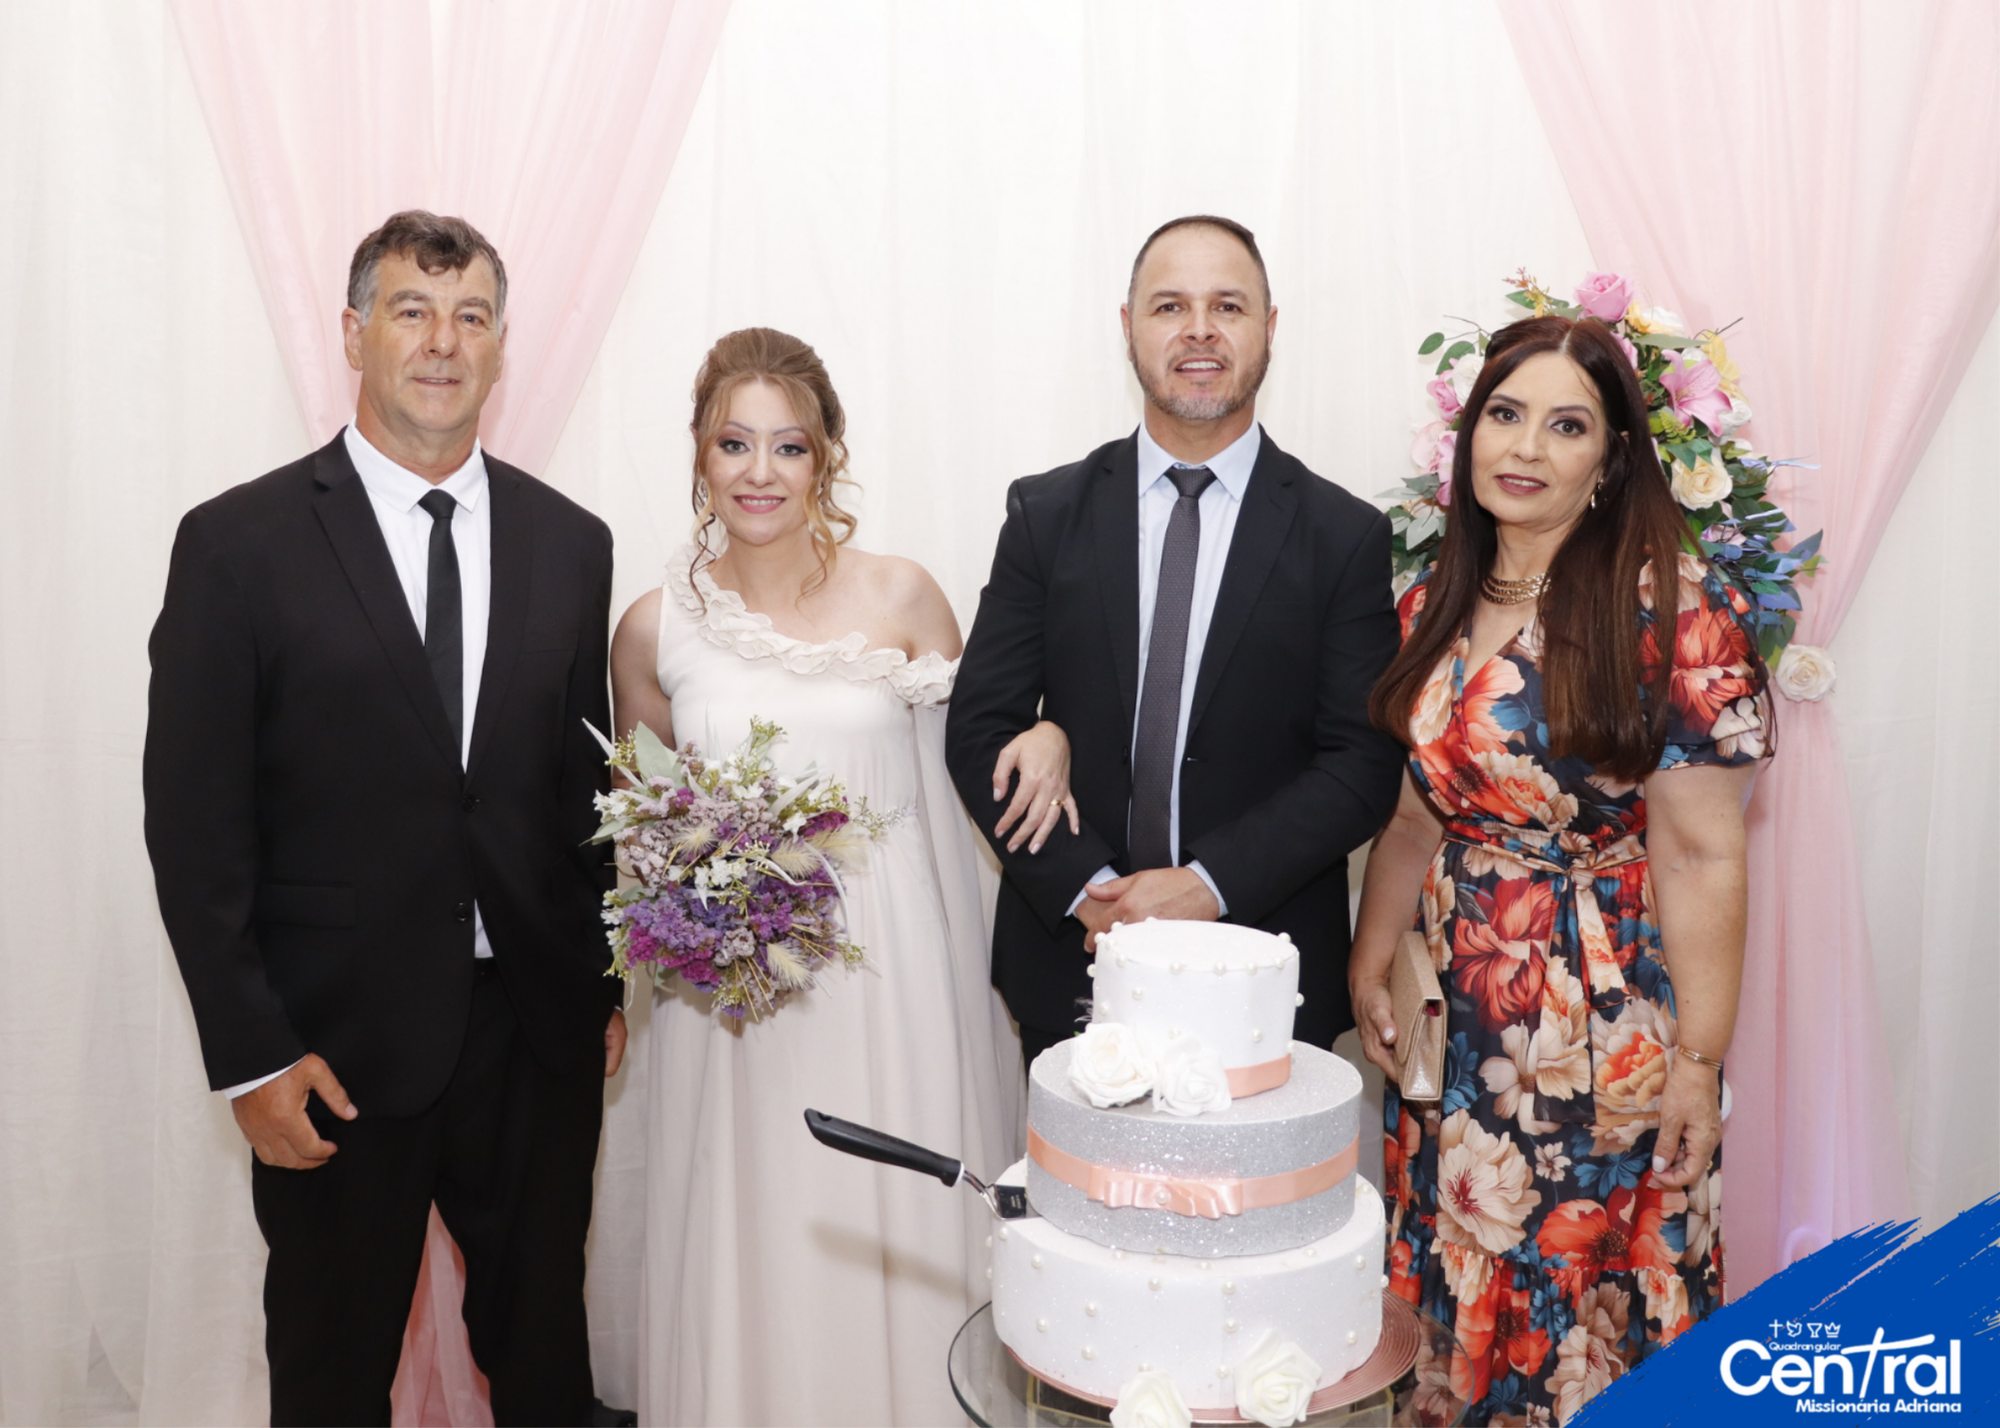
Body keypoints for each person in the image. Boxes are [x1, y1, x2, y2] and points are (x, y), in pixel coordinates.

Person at [143, 211, 621, 1426]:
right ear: (355, 334)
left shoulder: (572, 545)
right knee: (329, 1375)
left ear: (501, 346)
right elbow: (194, 825)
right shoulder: (235, 544)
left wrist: (601, 986)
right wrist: (253, 1054)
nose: (442, 342)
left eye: (470, 317)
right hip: (333, 1050)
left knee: (547, 1369)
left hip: (532, 1041)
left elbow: (585, 795)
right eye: (412, 311)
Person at [610, 327, 1045, 1426]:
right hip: (736, 1005)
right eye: (734, 443)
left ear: (826, 456)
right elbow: (642, 830)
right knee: (753, 1218)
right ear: (699, 453)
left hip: (889, 977)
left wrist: (1053, 737)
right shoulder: (653, 628)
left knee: (889, 1209)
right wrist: (705, 903)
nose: (759, 472)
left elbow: (977, 766)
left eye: (788, 446)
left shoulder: (904, 598)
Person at [1347, 315, 1770, 1425]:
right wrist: (1369, 959)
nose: (1525, 446)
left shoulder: (1669, 611)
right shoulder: (1431, 602)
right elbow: (1412, 818)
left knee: (1584, 1291)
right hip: (1456, 1019)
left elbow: (1701, 851)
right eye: (1504, 414)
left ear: (1610, 458)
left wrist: (1698, 1063)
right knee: (1453, 1265)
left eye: (1566, 425)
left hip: (1596, 1020)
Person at [945, 215, 1406, 1067]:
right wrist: (1094, 894)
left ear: (1269, 328)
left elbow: (1361, 764)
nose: (1199, 329)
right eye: (1169, 306)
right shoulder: (1047, 514)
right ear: (1128, 328)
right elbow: (979, 730)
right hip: (1073, 956)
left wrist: (1205, 887)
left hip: (1266, 969)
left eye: (1227, 306)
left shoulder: (1343, 536)